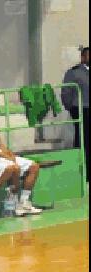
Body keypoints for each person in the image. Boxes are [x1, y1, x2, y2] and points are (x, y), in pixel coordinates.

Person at [61, 46, 89, 178]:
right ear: (83, 57)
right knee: (82, 139)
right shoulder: (73, 72)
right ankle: (82, 171)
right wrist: (71, 108)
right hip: (81, 109)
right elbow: (66, 91)